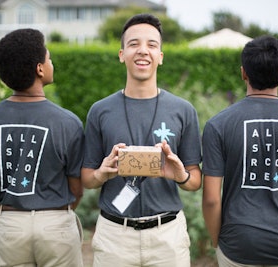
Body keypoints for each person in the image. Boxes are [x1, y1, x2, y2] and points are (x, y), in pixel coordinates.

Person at [81, 13, 202, 267]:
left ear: (161, 57)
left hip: (167, 237)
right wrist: (102, 174)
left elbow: (195, 181)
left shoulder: (183, 110)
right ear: (121, 54)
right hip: (114, 236)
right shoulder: (100, 111)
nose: (143, 51)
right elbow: (87, 178)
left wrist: (181, 175)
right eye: (134, 44)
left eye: (152, 45)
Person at [202, 35, 278, 267]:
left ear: (243, 73)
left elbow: (211, 199)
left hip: (237, 244)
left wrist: (216, 241)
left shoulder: (218, 124)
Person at [0, 28, 85, 267]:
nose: (51, 62)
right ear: (40, 69)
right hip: (56, 223)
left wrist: (13, 208)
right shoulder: (67, 122)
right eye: (49, 58)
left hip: (11, 223)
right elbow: (76, 188)